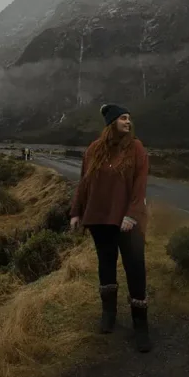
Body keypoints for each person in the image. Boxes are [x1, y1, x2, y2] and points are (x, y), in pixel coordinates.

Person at [70, 104, 151, 352]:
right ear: (111, 122)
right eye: (124, 118)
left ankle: (141, 326)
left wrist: (132, 215)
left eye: (129, 118)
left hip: (128, 222)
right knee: (106, 264)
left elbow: (140, 186)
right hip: (99, 218)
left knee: (135, 268)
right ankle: (109, 314)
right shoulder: (94, 150)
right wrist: (75, 212)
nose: (128, 122)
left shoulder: (136, 148)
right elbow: (83, 182)